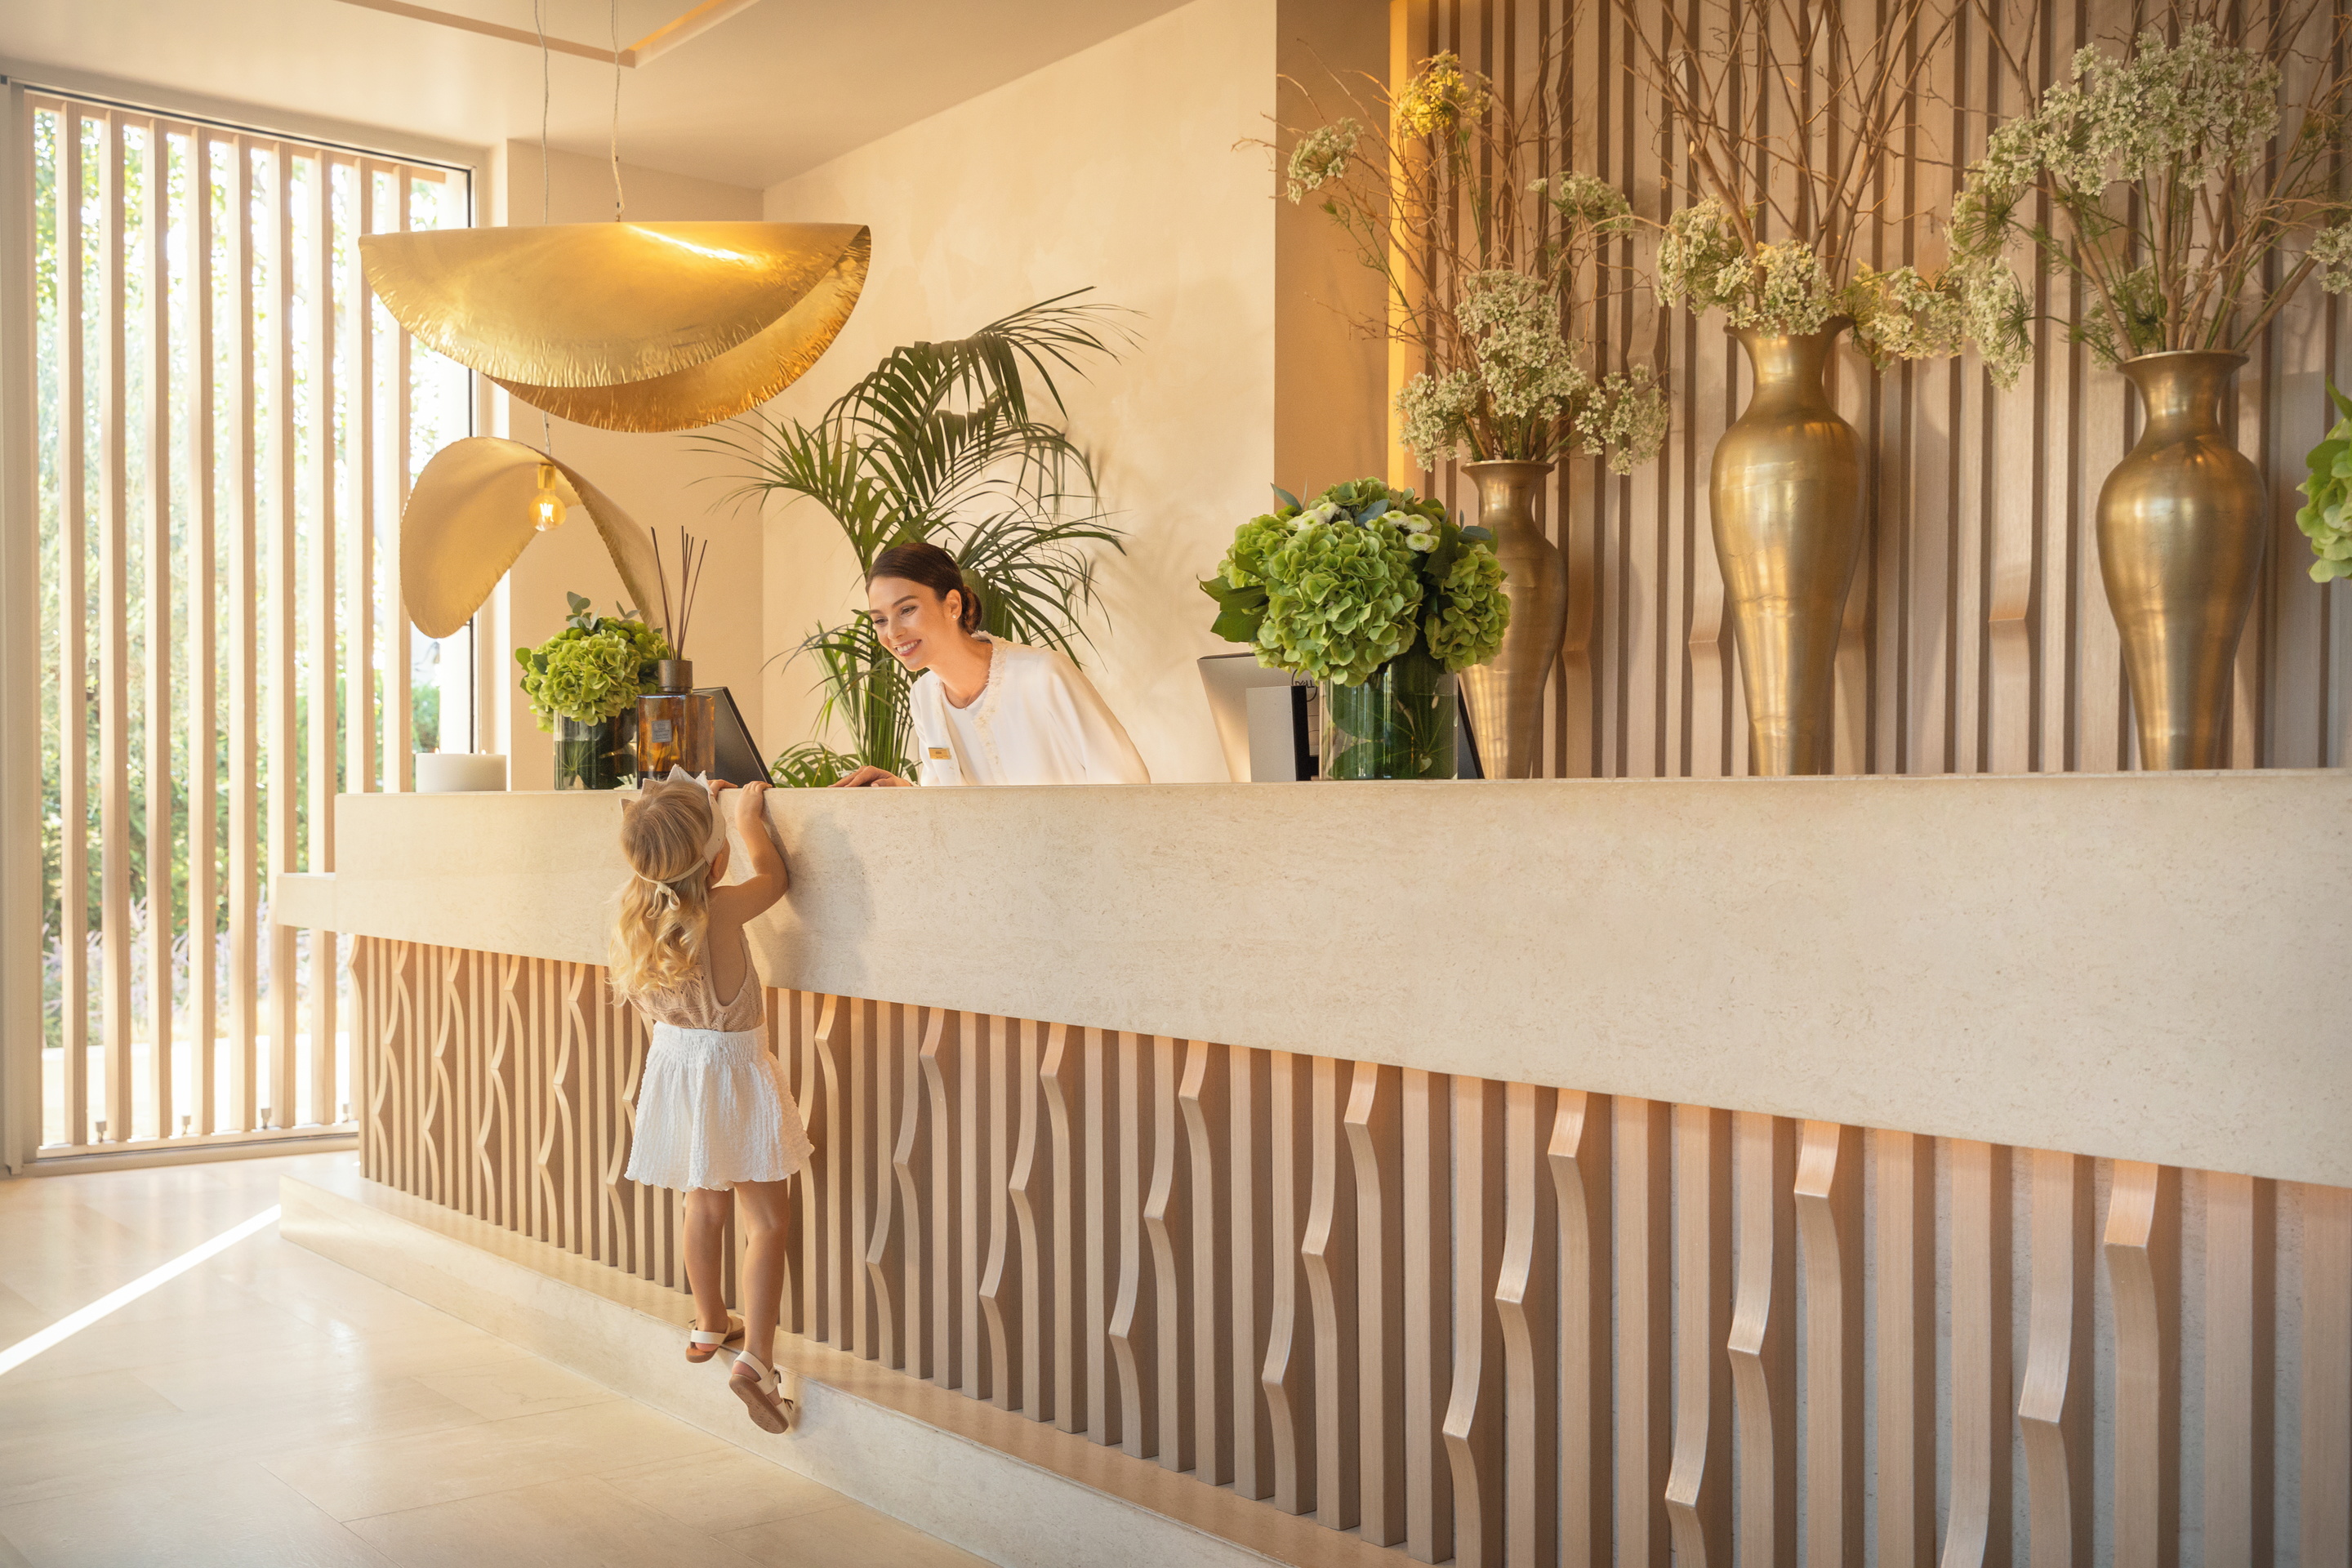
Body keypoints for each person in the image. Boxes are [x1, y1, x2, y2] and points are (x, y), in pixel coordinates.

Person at [611, 769, 810, 1434]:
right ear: (715, 859)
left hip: (677, 1070)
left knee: (702, 1205)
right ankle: (757, 1359)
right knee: (768, 1222)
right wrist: (748, 821)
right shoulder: (720, 910)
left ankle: (707, 1320)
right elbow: (776, 881)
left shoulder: (635, 916)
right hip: (733, 1074)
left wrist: (695, 805)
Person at [831, 541, 1151, 786]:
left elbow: (1128, 786)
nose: (893, 633)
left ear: (952, 605)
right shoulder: (924, 697)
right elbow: (945, 807)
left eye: (907, 610)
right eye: (880, 620)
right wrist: (902, 791)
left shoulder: (1043, 674)